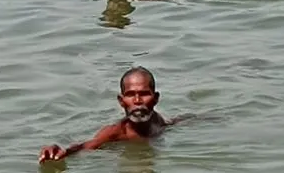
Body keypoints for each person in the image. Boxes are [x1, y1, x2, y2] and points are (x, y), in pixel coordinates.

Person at [39, 67, 188, 163]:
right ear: (121, 101)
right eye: (130, 95)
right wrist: (64, 151)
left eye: (144, 94)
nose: (137, 101)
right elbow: (86, 145)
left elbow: (173, 123)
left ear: (155, 99)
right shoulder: (115, 132)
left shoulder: (159, 122)